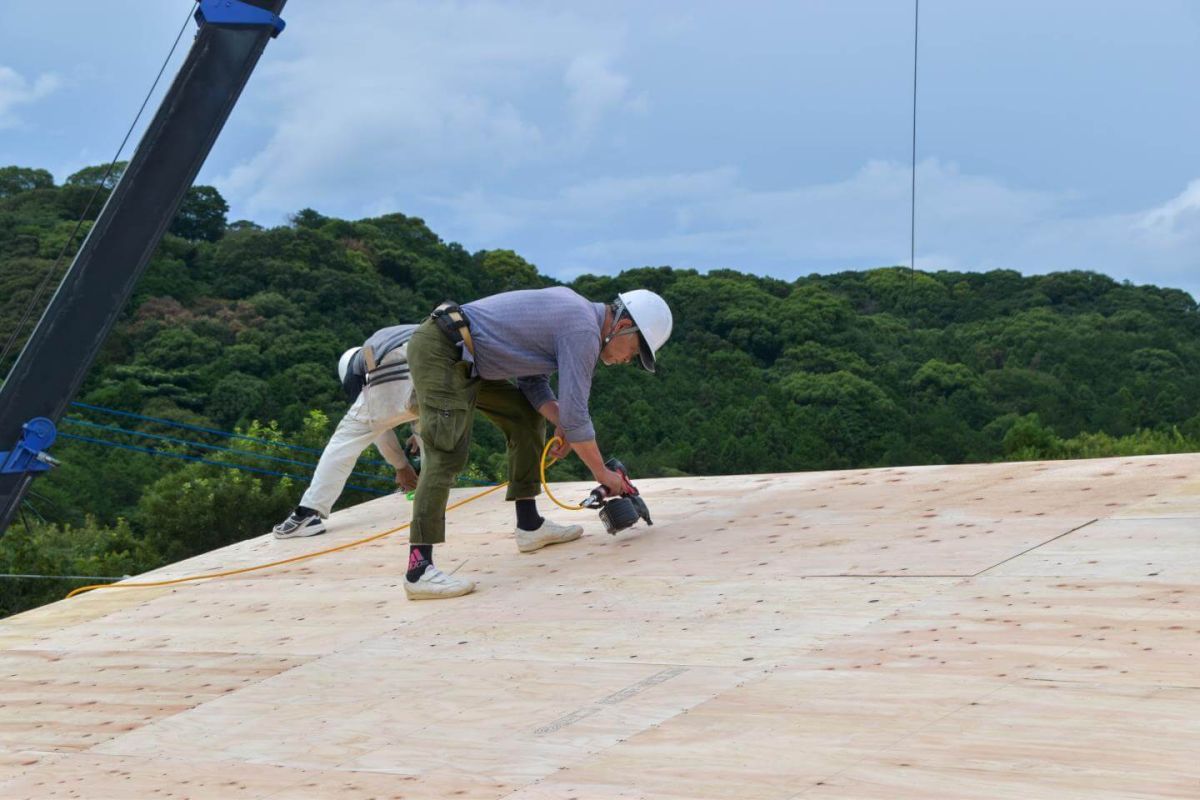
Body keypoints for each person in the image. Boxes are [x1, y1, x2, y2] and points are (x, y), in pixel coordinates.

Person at [402, 286, 673, 600]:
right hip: (443, 350)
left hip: (470, 358)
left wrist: (558, 419)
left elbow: (532, 381)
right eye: (635, 351)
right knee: (446, 453)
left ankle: (529, 525)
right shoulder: (583, 329)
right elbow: (576, 414)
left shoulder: (579, 317)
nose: (629, 360)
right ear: (623, 326)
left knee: (525, 417)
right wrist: (604, 475)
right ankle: (418, 569)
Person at [272, 324, 421, 539]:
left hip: (398, 363)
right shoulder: (382, 342)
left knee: (346, 440)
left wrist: (402, 466)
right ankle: (435, 488)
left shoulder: (358, 371)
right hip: (440, 358)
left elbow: (378, 428)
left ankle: (307, 514)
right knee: (430, 424)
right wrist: (419, 428)